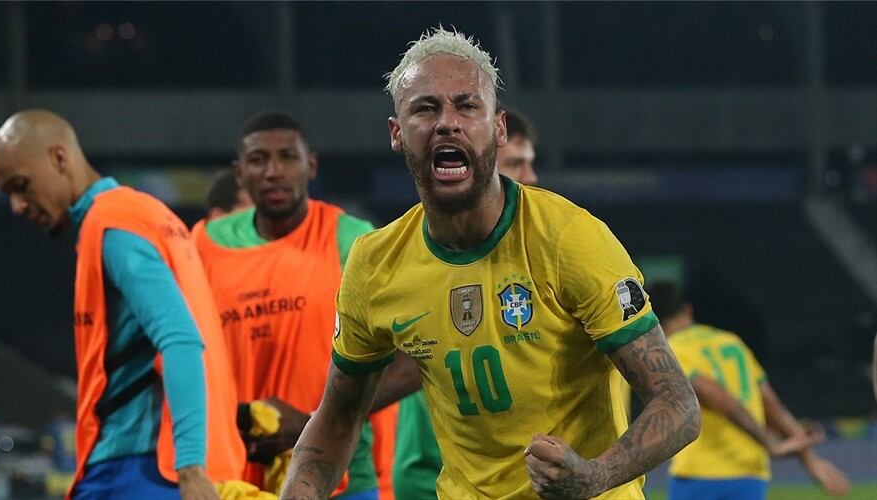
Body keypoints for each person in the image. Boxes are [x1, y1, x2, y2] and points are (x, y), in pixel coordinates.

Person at [281, 27, 700, 500]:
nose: (447, 123)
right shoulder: (375, 264)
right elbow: (337, 417)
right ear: (397, 133)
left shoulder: (570, 238)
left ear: (498, 129)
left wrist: (595, 476)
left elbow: (679, 403)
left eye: (466, 105)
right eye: (425, 107)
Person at [0, 109, 245, 499]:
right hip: (168, 465)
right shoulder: (149, 214)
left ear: (60, 158)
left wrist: (190, 467)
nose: (18, 206)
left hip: (137, 470)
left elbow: (180, 340)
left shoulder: (112, 225)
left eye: (21, 186)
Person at [192, 110, 405, 499]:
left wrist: (312, 422)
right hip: (237, 479)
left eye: (287, 157)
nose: (273, 171)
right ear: (239, 174)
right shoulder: (206, 244)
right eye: (258, 160)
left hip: (340, 479)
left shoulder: (353, 241)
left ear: (311, 165)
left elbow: (414, 359)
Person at [392, 104, 542, 499]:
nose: (530, 177)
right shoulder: (408, 258)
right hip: (431, 469)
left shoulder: (553, 246)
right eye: (517, 164)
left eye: (530, 164)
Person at [648, 281, 851, 500]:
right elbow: (772, 405)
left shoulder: (671, 349)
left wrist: (770, 443)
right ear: (688, 309)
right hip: (750, 475)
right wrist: (810, 461)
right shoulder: (731, 342)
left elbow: (719, 398)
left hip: (701, 473)